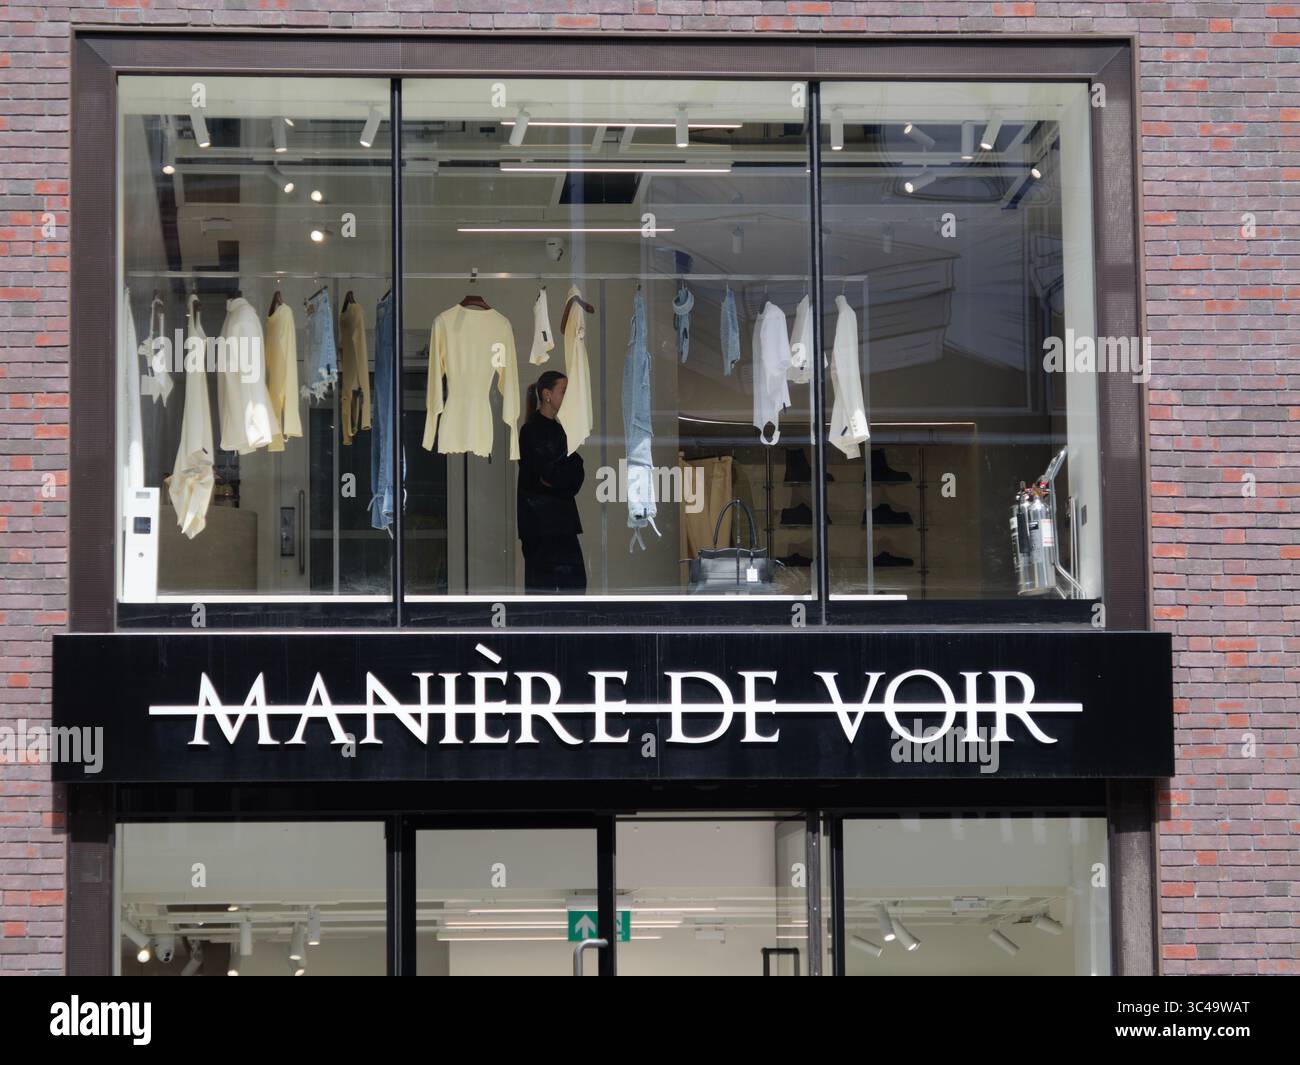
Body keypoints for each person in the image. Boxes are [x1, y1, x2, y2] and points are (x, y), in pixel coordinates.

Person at [517, 370, 586, 593]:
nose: (567, 397)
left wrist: (560, 479)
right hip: (540, 526)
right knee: (544, 593)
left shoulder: (560, 430)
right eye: (563, 391)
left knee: (574, 587)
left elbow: (572, 476)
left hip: (559, 523)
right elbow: (547, 476)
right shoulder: (530, 431)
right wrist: (561, 478)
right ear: (547, 394)